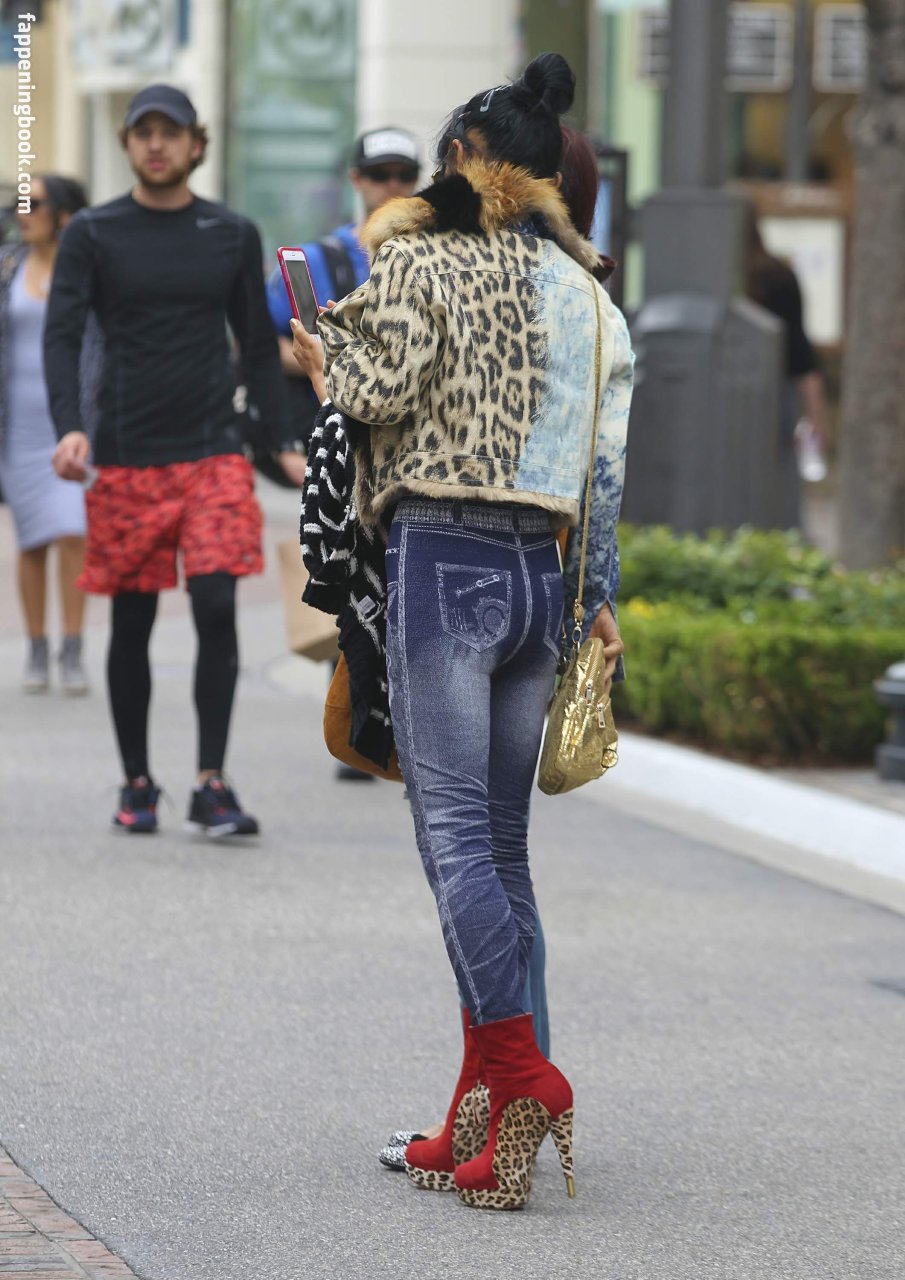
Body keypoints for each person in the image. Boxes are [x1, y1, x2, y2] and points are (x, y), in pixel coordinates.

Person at [306, 53, 634, 1209]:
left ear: (458, 158)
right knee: (499, 849)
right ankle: (487, 1113)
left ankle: (520, 1069)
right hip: (539, 575)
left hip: (443, 558)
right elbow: (596, 472)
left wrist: (320, 358)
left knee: (450, 837)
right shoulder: (582, 296)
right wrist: (591, 596)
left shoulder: (424, 256)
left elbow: (374, 393)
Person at [46, 84, 306, 838]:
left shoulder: (230, 232)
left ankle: (210, 782)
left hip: (212, 452)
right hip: (126, 455)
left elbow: (256, 345)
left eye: (170, 132)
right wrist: (70, 427)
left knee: (217, 604)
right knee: (131, 619)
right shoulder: (92, 233)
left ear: (197, 144)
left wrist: (283, 441)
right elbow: (62, 336)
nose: (156, 144)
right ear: (128, 144)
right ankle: (137, 781)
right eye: (143, 132)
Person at [266, 127, 421, 450]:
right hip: (335, 434)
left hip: (412, 441)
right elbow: (264, 346)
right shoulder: (315, 259)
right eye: (379, 174)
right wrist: (328, 359)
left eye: (404, 175)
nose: (393, 185)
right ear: (356, 179)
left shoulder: (434, 261)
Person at [0, 175, 95, 695]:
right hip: (15, 424)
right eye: (19, 203)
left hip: (71, 423)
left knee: (72, 530)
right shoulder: (7, 266)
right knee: (32, 540)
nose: (22, 212)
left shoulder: (87, 270)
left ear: (63, 215)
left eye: (33, 203)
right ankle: (37, 647)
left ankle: (72, 648)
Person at [744, 207, 831, 526]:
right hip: (775, 397)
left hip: (733, 401)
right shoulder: (778, 275)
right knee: (778, 481)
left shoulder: (718, 278)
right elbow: (799, 351)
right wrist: (816, 414)